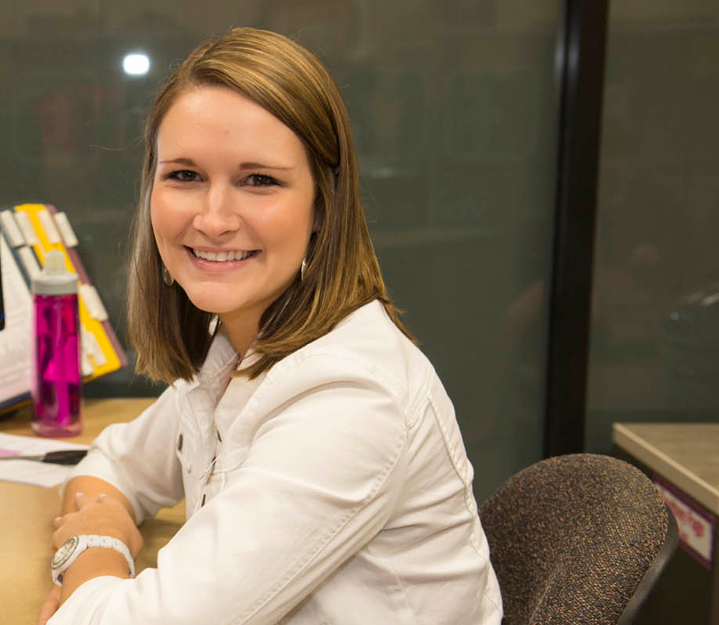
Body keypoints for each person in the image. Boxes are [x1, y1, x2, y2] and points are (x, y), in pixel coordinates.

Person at [39, 27, 502, 625]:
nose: (213, 218)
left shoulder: (351, 397)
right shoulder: (233, 347)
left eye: (259, 180)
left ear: (322, 207)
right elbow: (111, 464)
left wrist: (93, 545)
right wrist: (103, 524)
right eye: (184, 175)